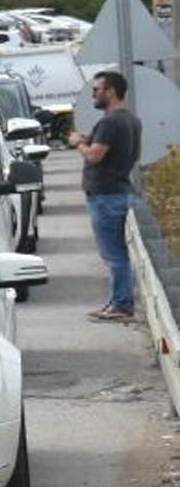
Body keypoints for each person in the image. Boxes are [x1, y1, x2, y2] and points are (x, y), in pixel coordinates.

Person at [84, 68, 142, 322]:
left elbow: (95, 155)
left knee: (114, 255)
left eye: (97, 90)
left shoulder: (109, 122)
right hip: (119, 190)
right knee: (117, 253)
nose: (94, 95)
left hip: (106, 195)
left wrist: (78, 142)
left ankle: (121, 305)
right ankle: (118, 301)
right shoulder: (131, 120)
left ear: (111, 91)